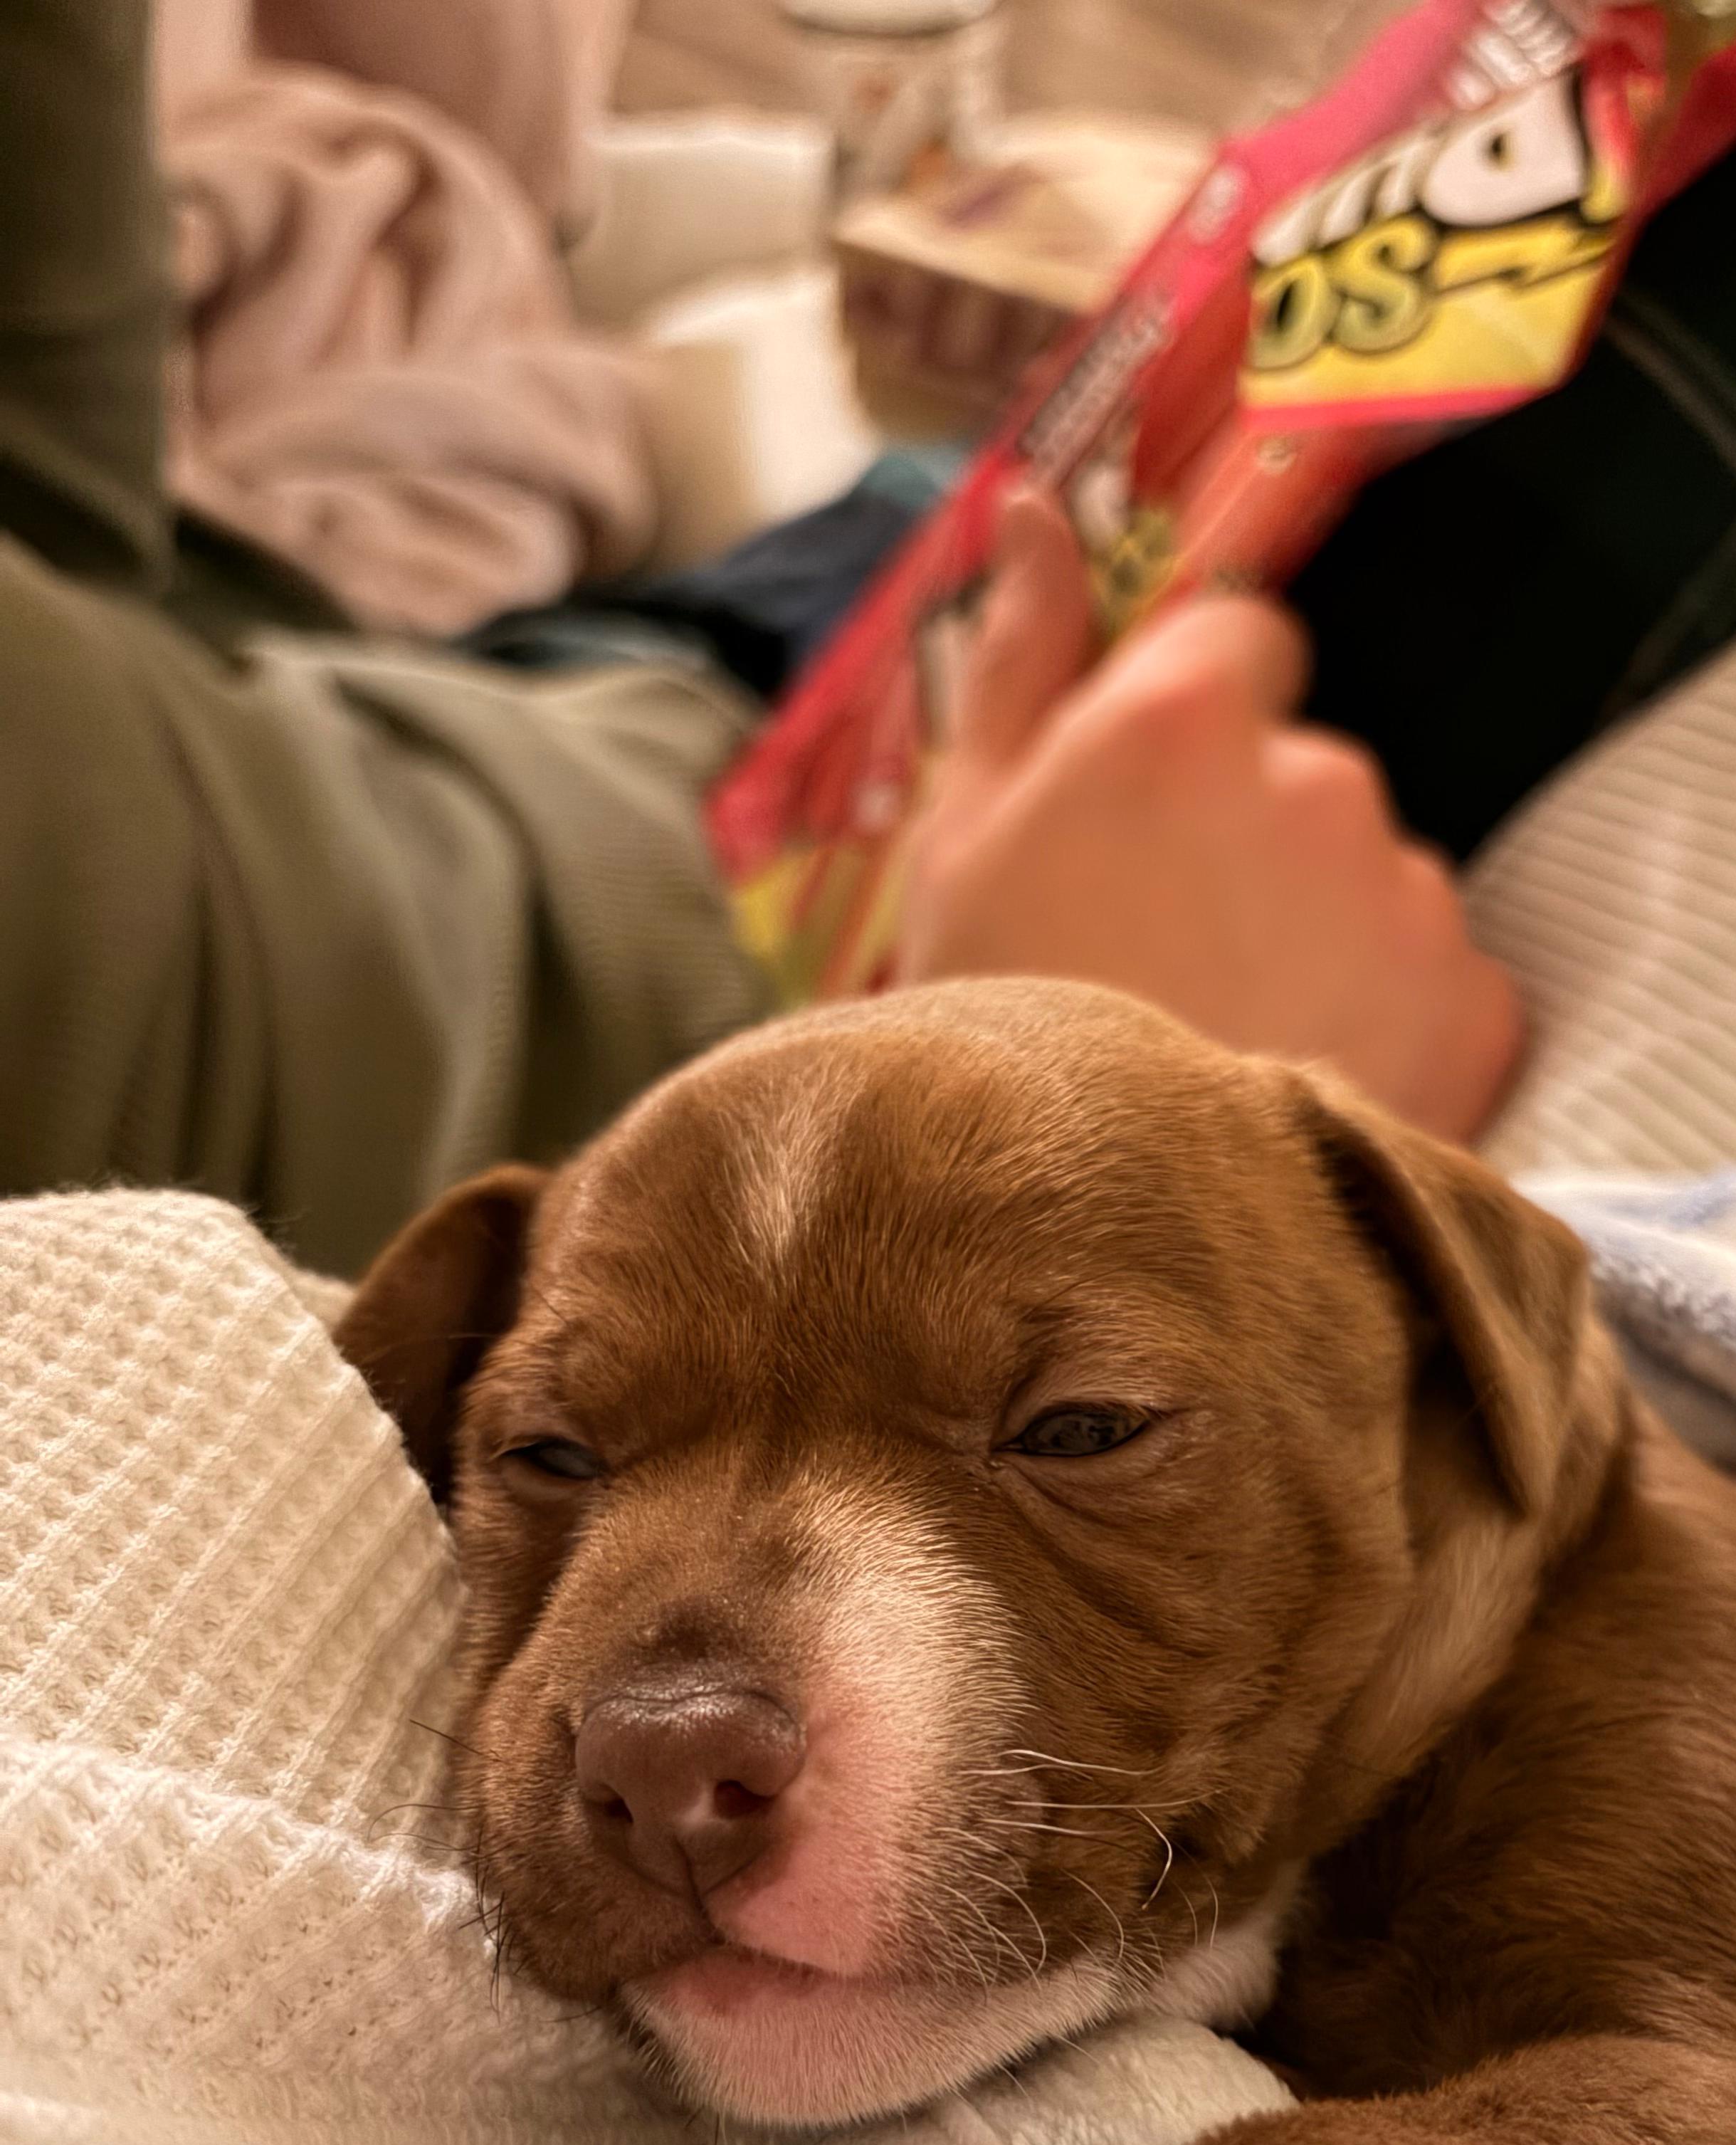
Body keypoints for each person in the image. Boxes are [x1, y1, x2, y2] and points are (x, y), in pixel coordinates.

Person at [0, 0, 1510, 1280]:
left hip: (506, 709)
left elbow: (68, 551)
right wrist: (1020, 1164)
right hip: (778, 1098)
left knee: (1053, 405)